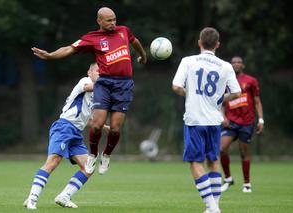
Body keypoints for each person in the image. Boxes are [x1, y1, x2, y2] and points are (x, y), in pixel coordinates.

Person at [31, 7, 147, 175]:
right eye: (109, 20)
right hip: (104, 84)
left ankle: (106, 155)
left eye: (114, 19)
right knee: (97, 124)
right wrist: (50, 55)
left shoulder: (123, 31)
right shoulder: (92, 38)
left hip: (124, 85)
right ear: (99, 21)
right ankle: (93, 154)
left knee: (115, 129)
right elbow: (70, 48)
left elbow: (135, 42)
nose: (113, 23)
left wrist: (143, 56)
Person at [172, 27, 241, 213]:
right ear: (217, 44)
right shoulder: (226, 66)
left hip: (195, 120)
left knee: (195, 162)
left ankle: (212, 207)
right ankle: (214, 207)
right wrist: (220, 98)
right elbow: (236, 92)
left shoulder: (188, 61)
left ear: (199, 42)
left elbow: (176, 86)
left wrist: (190, 94)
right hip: (214, 120)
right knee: (213, 161)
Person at [23, 63, 106, 210]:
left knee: (88, 167)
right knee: (53, 162)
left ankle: (64, 196)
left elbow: (86, 119)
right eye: (98, 71)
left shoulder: (95, 95)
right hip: (64, 127)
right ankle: (32, 199)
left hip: (75, 132)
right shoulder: (85, 81)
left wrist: (106, 127)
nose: (100, 74)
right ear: (90, 72)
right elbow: (89, 87)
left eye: (103, 73)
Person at [220, 56, 264, 193]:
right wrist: (222, 117)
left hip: (247, 122)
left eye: (239, 62)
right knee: (221, 149)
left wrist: (261, 119)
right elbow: (221, 102)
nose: (236, 64)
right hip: (231, 122)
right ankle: (228, 179)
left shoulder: (251, 81)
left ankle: (247, 183)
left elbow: (257, 101)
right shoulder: (225, 81)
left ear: (243, 65)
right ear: (230, 65)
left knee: (243, 153)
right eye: (233, 62)